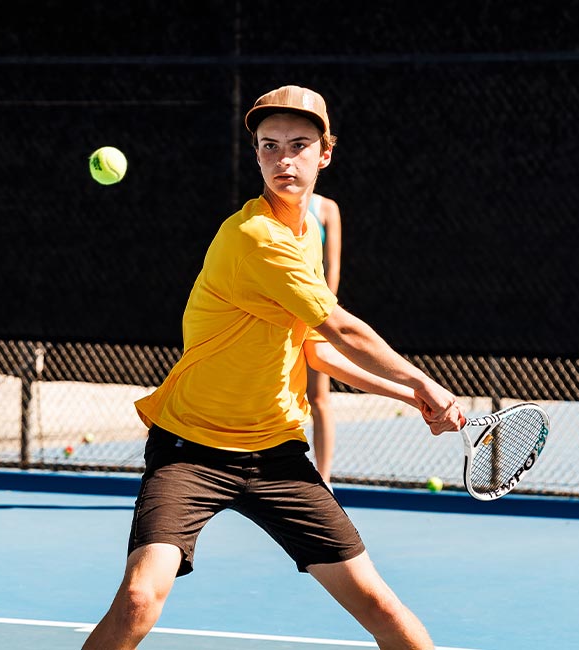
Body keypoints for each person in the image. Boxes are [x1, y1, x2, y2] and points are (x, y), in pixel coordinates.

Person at [81, 85, 463, 650]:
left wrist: (409, 398)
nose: (284, 159)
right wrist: (425, 380)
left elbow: (314, 349)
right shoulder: (254, 236)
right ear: (256, 154)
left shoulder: (305, 234)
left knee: (379, 603)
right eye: (269, 146)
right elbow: (341, 328)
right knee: (139, 598)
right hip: (191, 448)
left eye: (299, 145)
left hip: (276, 454)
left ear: (324, 153)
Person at [306, 192, 341, 485]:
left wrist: (322, 317)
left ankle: (324, 480)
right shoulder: (266, 206)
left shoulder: (327, 208)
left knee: (318, 398)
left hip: (313, 316)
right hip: (277, 319)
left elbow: (332, 266)